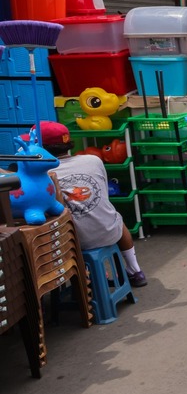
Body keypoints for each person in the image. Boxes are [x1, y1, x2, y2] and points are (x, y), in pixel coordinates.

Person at [26, 122, 148, 287]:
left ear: (41, 148)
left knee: (53, 226)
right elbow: (103, 193)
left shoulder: (43, 174)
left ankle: (94, 275)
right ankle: (135, 270)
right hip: (110, 232)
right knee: (115, 217)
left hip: (75, 241)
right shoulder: (93, 160)